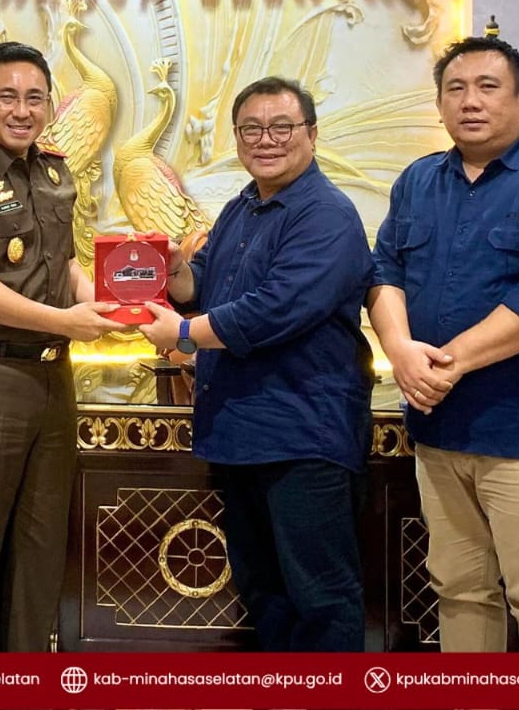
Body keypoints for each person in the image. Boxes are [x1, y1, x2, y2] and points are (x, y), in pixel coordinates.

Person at [366, 35, 519, 652]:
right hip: (440, 429)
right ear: (439, 104)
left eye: (488, 87)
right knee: (459, 590)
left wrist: (445, 363)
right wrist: (400, 350)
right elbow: (383, 271)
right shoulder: (418, 180)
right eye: (456, 89)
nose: (470, 102)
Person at [136, 77, 374, 651]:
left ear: (311, 134)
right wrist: (174, 271)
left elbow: (273, 310)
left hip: (303, 436)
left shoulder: (327, 215)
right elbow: (206, 285)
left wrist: (184, 335)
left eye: (281, 127)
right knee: (263, 589)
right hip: (240, 432)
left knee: (321, 596)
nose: (266, 140)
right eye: (251, 129)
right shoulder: (241, 208)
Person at [0, 40, 128, 652]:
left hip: (51, 381)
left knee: (40, 551)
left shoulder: (55, 171)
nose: (21, 110)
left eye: (35, 98)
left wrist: (109, 304)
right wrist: (64, 321)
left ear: (51, 104)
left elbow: (63, 266)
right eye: (6, 97)